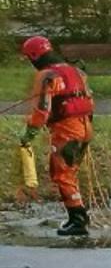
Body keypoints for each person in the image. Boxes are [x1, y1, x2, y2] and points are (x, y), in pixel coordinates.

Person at [17, 36, 94, 236]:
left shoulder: (46, 76)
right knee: (70, 173)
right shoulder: (75, 71)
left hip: (67, 131)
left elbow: (42, 110)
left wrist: (28, 133)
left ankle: (77, 220)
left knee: (62, 174)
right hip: (85, 128)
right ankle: (79, 215)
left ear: (34, 56)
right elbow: (88, 98)